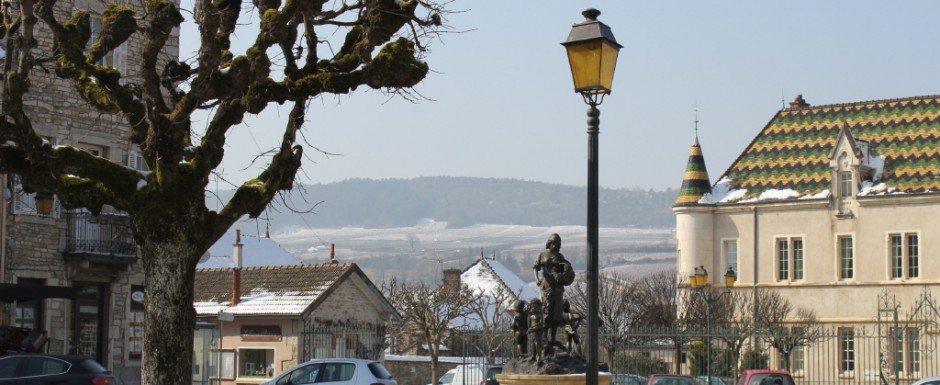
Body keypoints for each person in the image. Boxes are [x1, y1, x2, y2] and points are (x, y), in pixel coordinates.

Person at [532, 233, 573, 344]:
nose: (556, 245)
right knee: (546, 312)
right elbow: (536, 267)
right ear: (550, 243)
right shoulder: (543, 254)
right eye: (554, 243)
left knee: (556, 314)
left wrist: (565, 275)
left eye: (558, 243)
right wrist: (536, 279)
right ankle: (545, 337)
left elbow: (566, 269)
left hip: (557, 288)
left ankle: (553, 339)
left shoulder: (560, 256)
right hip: (546, 286)